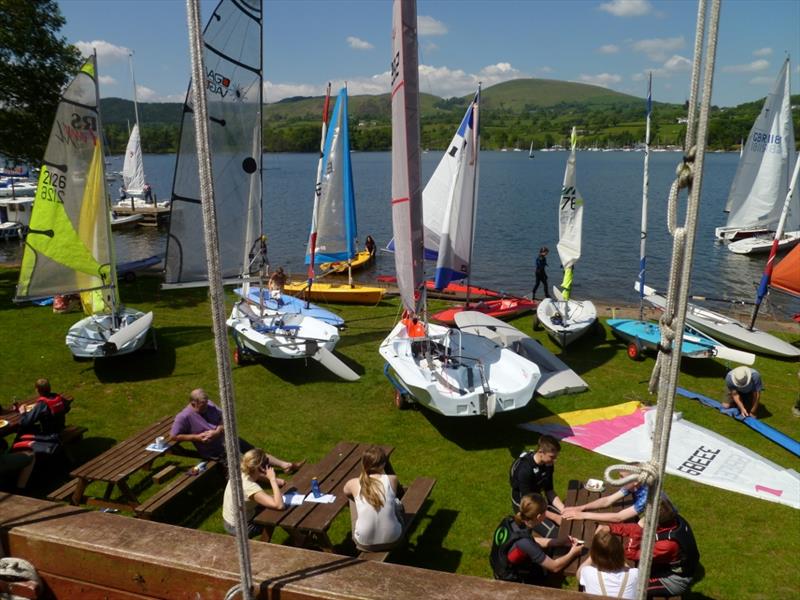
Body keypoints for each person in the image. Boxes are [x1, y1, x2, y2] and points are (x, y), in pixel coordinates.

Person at [170, 388, 304, 475]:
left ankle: (285, 465)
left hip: (226, 437)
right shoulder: (183, 417)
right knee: (243, 465)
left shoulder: (209, 404)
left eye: (206, 403)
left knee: (254, 452)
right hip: (214, 450)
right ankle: (273, 480)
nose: (206, 406)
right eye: (202, 405)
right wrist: (197, 438)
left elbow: (224, 417)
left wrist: (218, 431)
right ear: (193, 403)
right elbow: (174, 436)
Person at [606, 498, 699, 598]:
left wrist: (639, 528)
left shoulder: (667, 544)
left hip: (673, 580)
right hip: (662, 566)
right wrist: (610, 528)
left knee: (629, 588)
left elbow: (631, 554)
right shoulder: (672, 520)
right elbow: (639, 530)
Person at [490, 493, 583, 586]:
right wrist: (573, 552)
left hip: (498, 563)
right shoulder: (525, 542)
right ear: (539, 517)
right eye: (545, 512)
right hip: (511, 579)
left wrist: (559, 542)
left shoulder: (511, 521)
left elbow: (532, 540)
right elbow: (555, 566)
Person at [562, 464, 670, 525]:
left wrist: (584, 515)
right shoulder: (632, 484)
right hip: (650, 515)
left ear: (636, 481)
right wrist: (581, 507)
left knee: (637, 527)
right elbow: (607, 501)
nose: (619, 480)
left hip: (662, 523)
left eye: (622, 477)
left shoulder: (647, 496)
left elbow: (619, 517)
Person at [343, 446, 403, 552]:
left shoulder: (353, 483)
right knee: (394, 502)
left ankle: (364, 526)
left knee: (353, 499)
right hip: (394, 539)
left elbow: (346, 492)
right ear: (384, 464)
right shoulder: (392, 479)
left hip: (364, 544)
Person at [509, 435, 565, 537]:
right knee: (555, 534)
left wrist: (564, 509)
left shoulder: (548, 464)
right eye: (552, 457)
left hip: (538, 501)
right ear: (540, 452)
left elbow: (549, 491)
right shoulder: (525, 470)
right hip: (525, 506)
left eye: (556, 457)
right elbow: (530, 504)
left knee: (567, 519)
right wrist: (556, 517)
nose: (555, 460)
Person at [221, 448, 285, 537]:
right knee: (276, 516)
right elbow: (279, 505)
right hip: (241, 527)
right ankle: (299, 540)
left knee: (270, 506)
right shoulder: (251, 487)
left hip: (230, 520)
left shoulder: (239, 472)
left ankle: (299, 538)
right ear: (261, 468)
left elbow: (256, 477)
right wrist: (272, 479)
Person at [11, 379, 70, 456]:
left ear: (37, 390)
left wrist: (23, 412)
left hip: (48, 435)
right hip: (59, 429)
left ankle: (15, 453)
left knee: (22, 430)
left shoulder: (42, 404)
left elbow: (25, 422)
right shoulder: (57, 397)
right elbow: (67, 408)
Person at [577, 526, 639, 598]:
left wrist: (594, 550)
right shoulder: (635, 574)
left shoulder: (588, 572)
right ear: (620, 551)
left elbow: (579, 574)